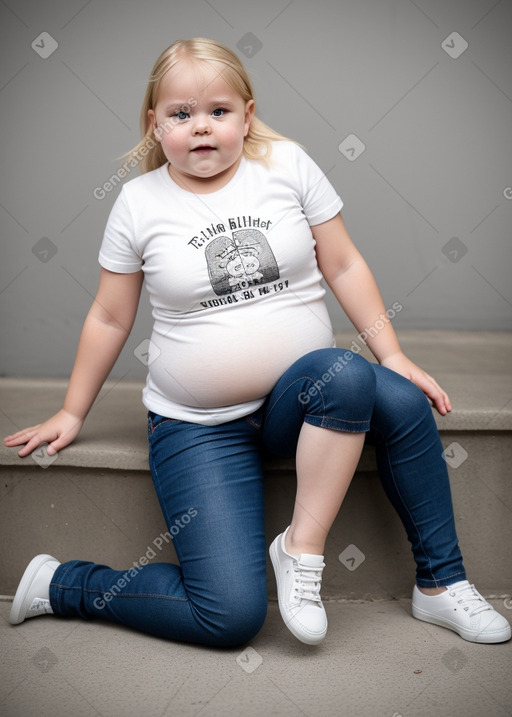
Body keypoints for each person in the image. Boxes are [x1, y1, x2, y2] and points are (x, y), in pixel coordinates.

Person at [5, 37, 510, 648]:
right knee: (230, 619)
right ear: (154, 125)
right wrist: (72, 410)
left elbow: (344, 264)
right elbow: (111, 317)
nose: (201, 128)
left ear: (247, 115)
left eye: (219, 111)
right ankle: (64, 585)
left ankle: (407, 576)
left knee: (382, 391)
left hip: (298, 406)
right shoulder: (139, 202)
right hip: (199, 425)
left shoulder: (287, 165)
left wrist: (394, 356)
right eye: (180, 114)